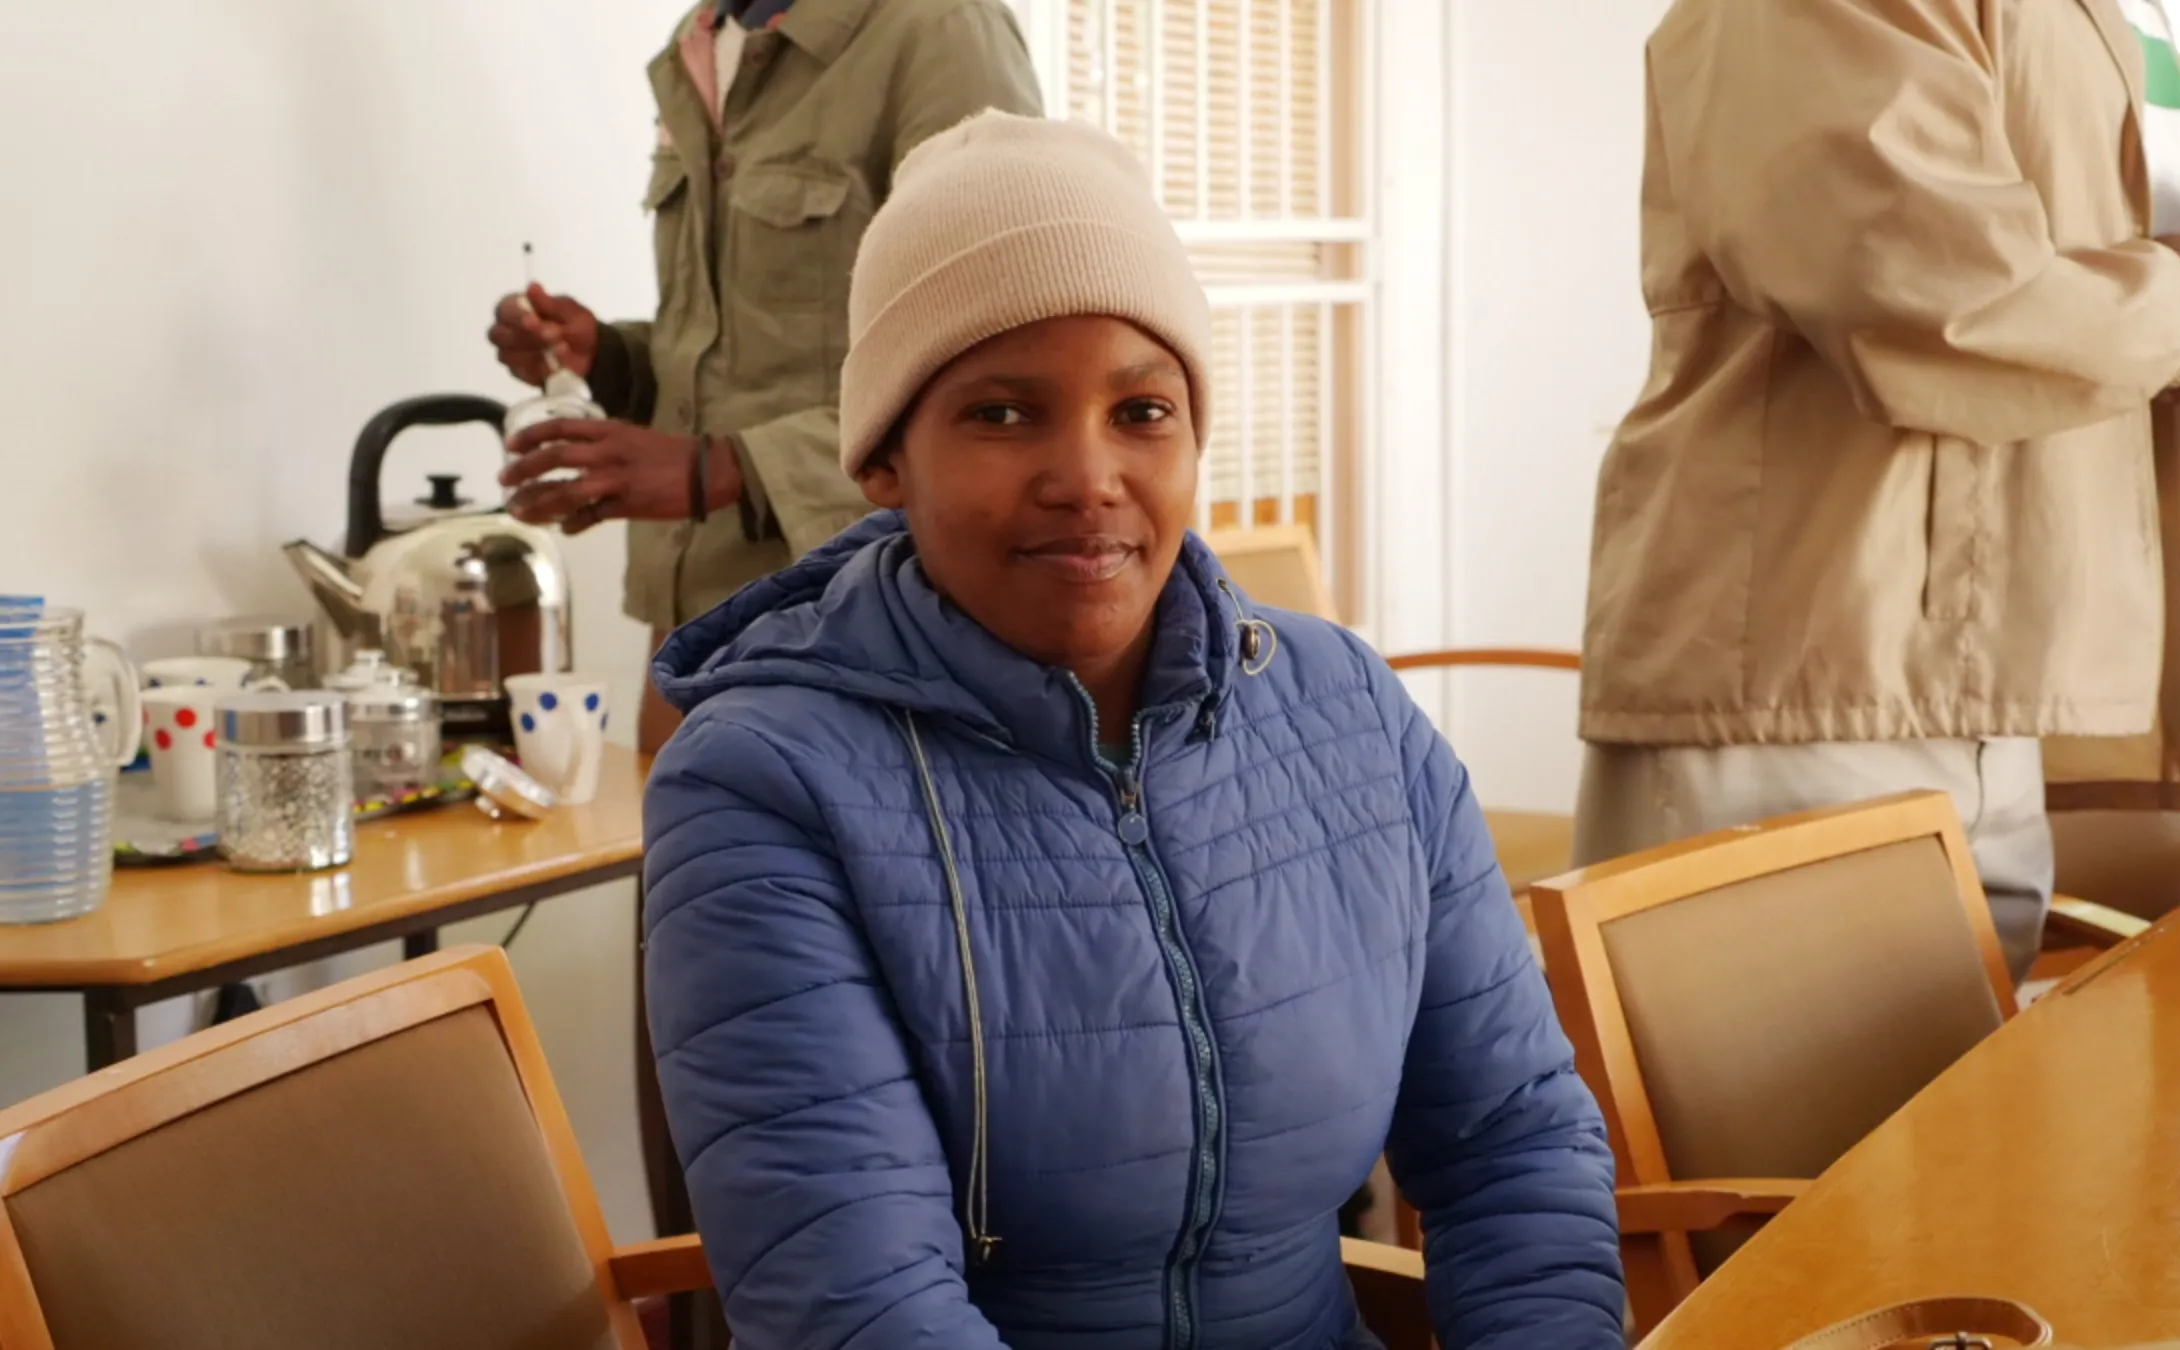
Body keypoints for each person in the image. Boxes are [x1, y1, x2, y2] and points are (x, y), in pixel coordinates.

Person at [641, 112, 1627, 1348]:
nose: (1087, 475)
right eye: (1003, 414)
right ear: (885, 456)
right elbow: (860, 1308)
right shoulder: (760, 787)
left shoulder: (1348, 710)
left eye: (1143, 410)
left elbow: (1512, 1142)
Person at [1573, 0, 2180, 978]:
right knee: (1805, 1134)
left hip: (1992, 701)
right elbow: (1917, 291)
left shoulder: (2128, 17)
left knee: (1962, 1128)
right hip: (1815, 686)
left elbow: (2065, 413)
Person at [487, 0, 1042, 754]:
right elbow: (750, 348)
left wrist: (725, 469)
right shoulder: (700, 42)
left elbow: (1002, 364)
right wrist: (609, 359)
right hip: (691, 642)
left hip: (867, 630)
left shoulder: (939, 29)